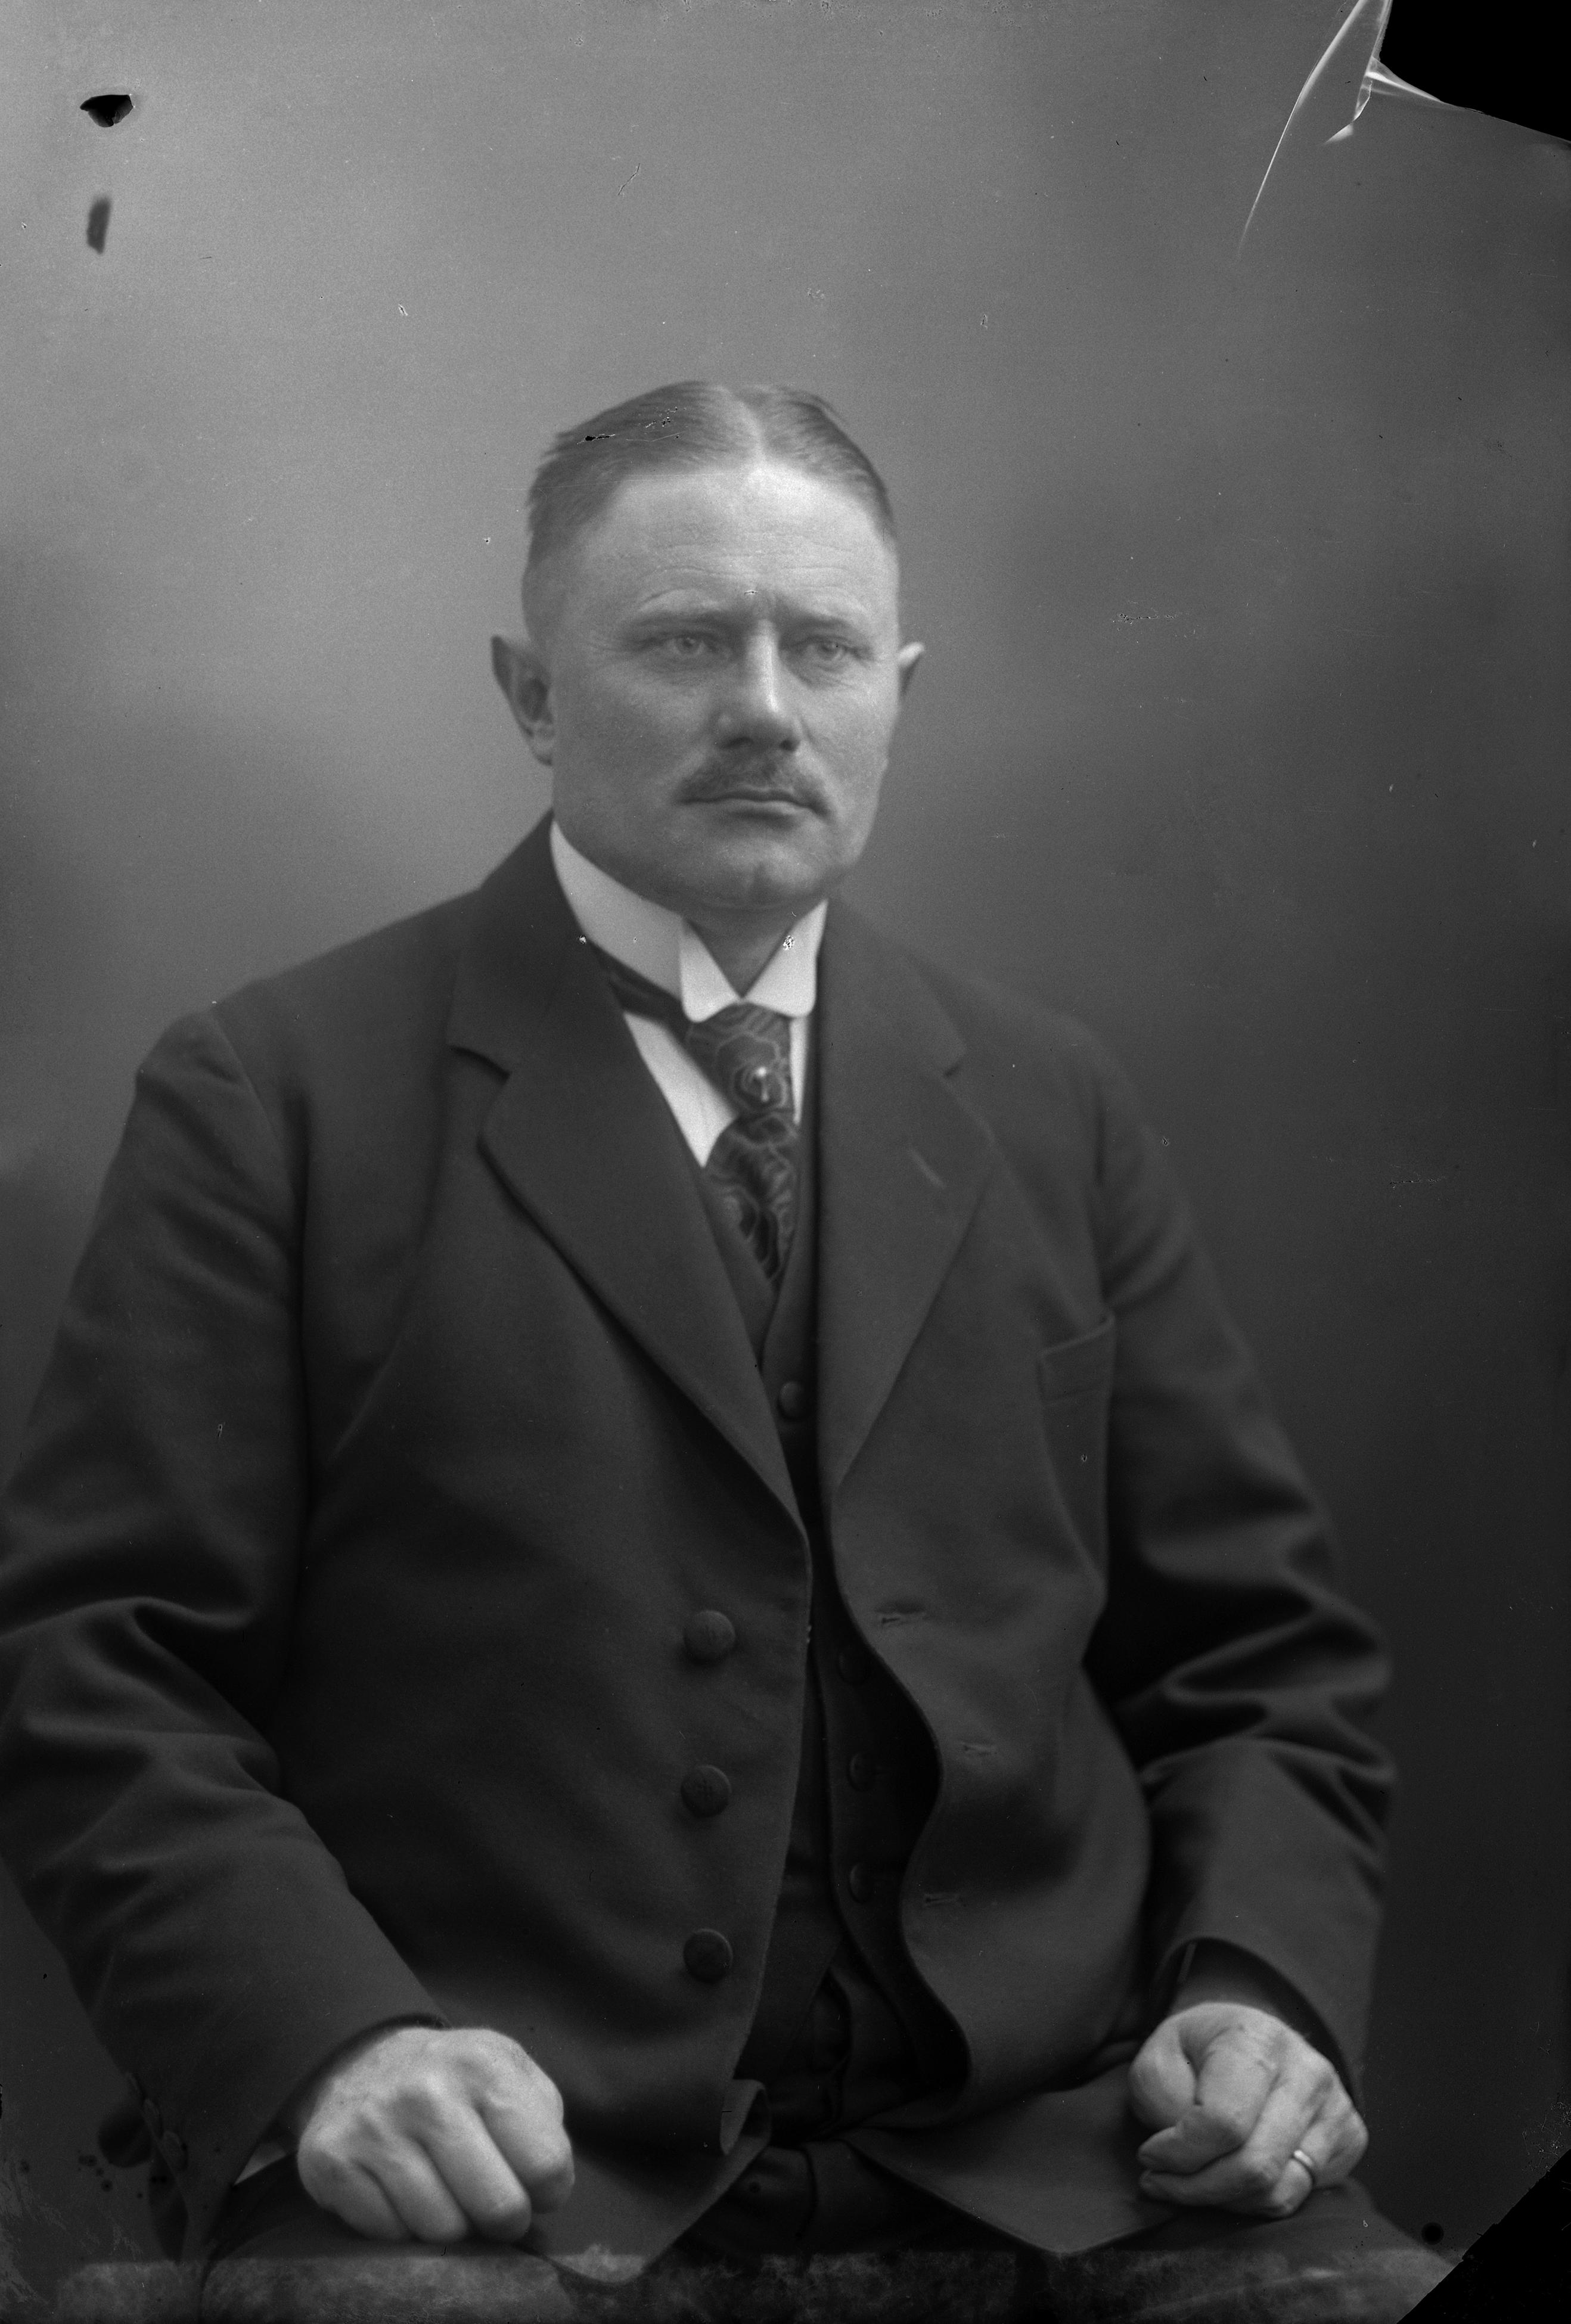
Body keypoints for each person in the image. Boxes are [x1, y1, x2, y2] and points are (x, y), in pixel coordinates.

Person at [0, 383, 1444, 2314]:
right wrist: (335, 2043)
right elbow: (99, 1670)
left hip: (1058, 2148)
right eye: (685, 642)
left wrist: (1254, 1994)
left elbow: (1256, 1664)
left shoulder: (1049, 1103)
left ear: (894, 696)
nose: (764, 707)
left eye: (822, 648)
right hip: (504, 2170)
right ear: (531, 695)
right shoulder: (272, 1094)